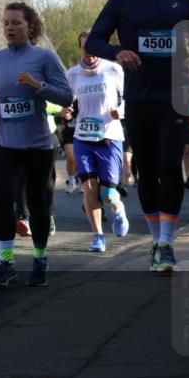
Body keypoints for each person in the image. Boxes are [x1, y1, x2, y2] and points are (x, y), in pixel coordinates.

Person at [86, 0, 189, 272]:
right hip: (139, 98)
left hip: (175, 96)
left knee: (170, 167)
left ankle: (167, 244)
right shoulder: (122, 0)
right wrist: (117, 52)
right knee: (146, 170)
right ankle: (156, 241)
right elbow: (95, 39)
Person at [0, 2, 73, 288]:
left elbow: (67, 97)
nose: (10, 27)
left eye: (16, 23)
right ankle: (6, 263)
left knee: (37, 203)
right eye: (6, 23)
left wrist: (38, 86)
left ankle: (40, 259)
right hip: (4, 143)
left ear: (29, 27)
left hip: (37, 145)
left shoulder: (43, 58)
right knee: (3, 198)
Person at [66, 30, 130, 253]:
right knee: (89, 188)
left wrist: (120, 111)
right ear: (81, 48)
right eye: (85, 47)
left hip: (109, 136)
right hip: (83, 137)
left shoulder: (114, 69)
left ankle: (118, 211)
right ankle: (98, 235)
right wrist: (66, 111)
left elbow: (128, 99)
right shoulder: (73, 74)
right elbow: (68, 101)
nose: (90, 52)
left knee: (108, 194)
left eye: (94, 47)